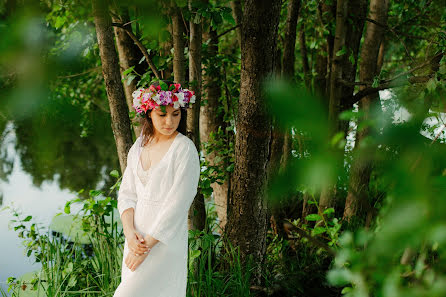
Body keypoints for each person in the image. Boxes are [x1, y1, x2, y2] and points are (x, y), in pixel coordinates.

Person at [113, 81, 200, 297]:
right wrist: (129, 233)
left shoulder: (185, 149)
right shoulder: (140, 145)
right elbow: (126, 194)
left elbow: (178, 205)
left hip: (163, 242)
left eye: (176, 114)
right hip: (136, 240)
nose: (170, 121)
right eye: (162, 115)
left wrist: (146, 247)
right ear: (149, 114)